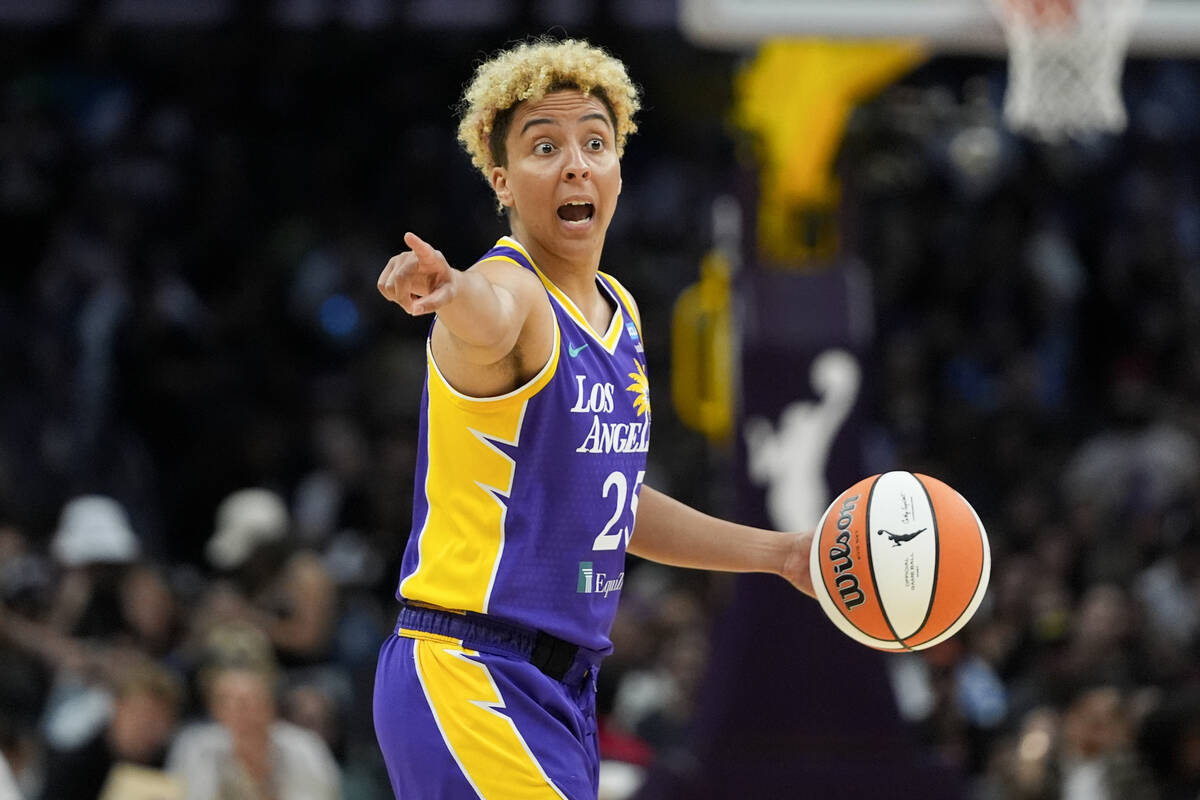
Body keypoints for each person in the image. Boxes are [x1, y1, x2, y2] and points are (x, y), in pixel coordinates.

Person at [372, 37, 815, 800]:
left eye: (594, 143)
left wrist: (780, 554)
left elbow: (612, 505)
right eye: (545, 146)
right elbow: (487, 315)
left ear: (616, 171)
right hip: (470, 673)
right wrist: (449, 291)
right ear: (502, 181)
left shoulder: (621, 312)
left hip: (563, 692)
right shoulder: (507, 288)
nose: (575, 162)